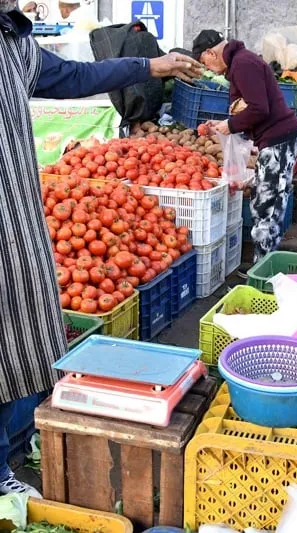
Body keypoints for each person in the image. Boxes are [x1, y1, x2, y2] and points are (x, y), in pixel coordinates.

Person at [0, 4, 202, 497]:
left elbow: (72, 76)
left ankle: (13, 448)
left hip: (16, 219)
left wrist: (147, 65)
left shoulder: (12, 43)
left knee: (25, 335)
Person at [192, 29, 297, 264]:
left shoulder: (242, 64)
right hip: (275, 140)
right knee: (267, 204)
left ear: (211, 53)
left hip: (278, 140)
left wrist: (230, 125)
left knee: (266, 209)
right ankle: (264, 267)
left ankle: (262, 271)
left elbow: (259, 108)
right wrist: (224, 125)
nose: (207, 68)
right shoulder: (240, 63)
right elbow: (251, 108)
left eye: (204, 62)